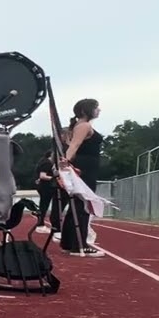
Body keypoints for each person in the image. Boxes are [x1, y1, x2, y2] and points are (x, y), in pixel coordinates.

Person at [59, 98, 105, 256]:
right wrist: (66, 160)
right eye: (96, 108)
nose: (99, 110)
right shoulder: (84, 125)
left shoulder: (78, 125)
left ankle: (69, 242)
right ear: (86, 111)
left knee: (78, 205)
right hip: (84, 168)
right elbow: (75, 145)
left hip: (85, 167)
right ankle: (79, 244)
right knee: (83, 205)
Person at [34, 150, 60, 233]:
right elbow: (42, 176)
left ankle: (40, 224)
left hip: (44, 187)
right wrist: (54, 179)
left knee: (43, 205)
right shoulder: (47, 163)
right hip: (46, 187)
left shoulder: (43, 162)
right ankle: (40, 224)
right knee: (44, 206)